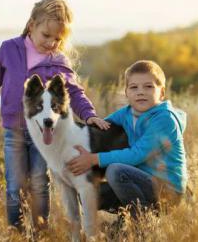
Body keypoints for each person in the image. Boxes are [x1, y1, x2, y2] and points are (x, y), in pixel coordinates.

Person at [0, 0, 109, 231]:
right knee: (14, 185)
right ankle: (15, 231)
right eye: (46, 36)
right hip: (14, 133)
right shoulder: (9, 49)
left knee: (39, 183)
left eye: (58, 39)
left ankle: (40, 230)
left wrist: (89, 115)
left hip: (47, 137)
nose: (51, 43)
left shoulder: (58, 61)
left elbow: (75, 93)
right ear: (31, 26)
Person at [67, 60, 188, 218]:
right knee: (90, 194)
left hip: (167, 191)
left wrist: (94, 159)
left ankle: (141, 222)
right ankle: (127, 221)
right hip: (140, 181)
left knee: (116, 170)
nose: (140, 92)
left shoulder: (164, 120)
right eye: (134, 87)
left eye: (148, 86)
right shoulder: (127, 113)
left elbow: (137, 154)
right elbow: (103, 129)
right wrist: (86, 123)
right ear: (127, 92)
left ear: (162, 92)